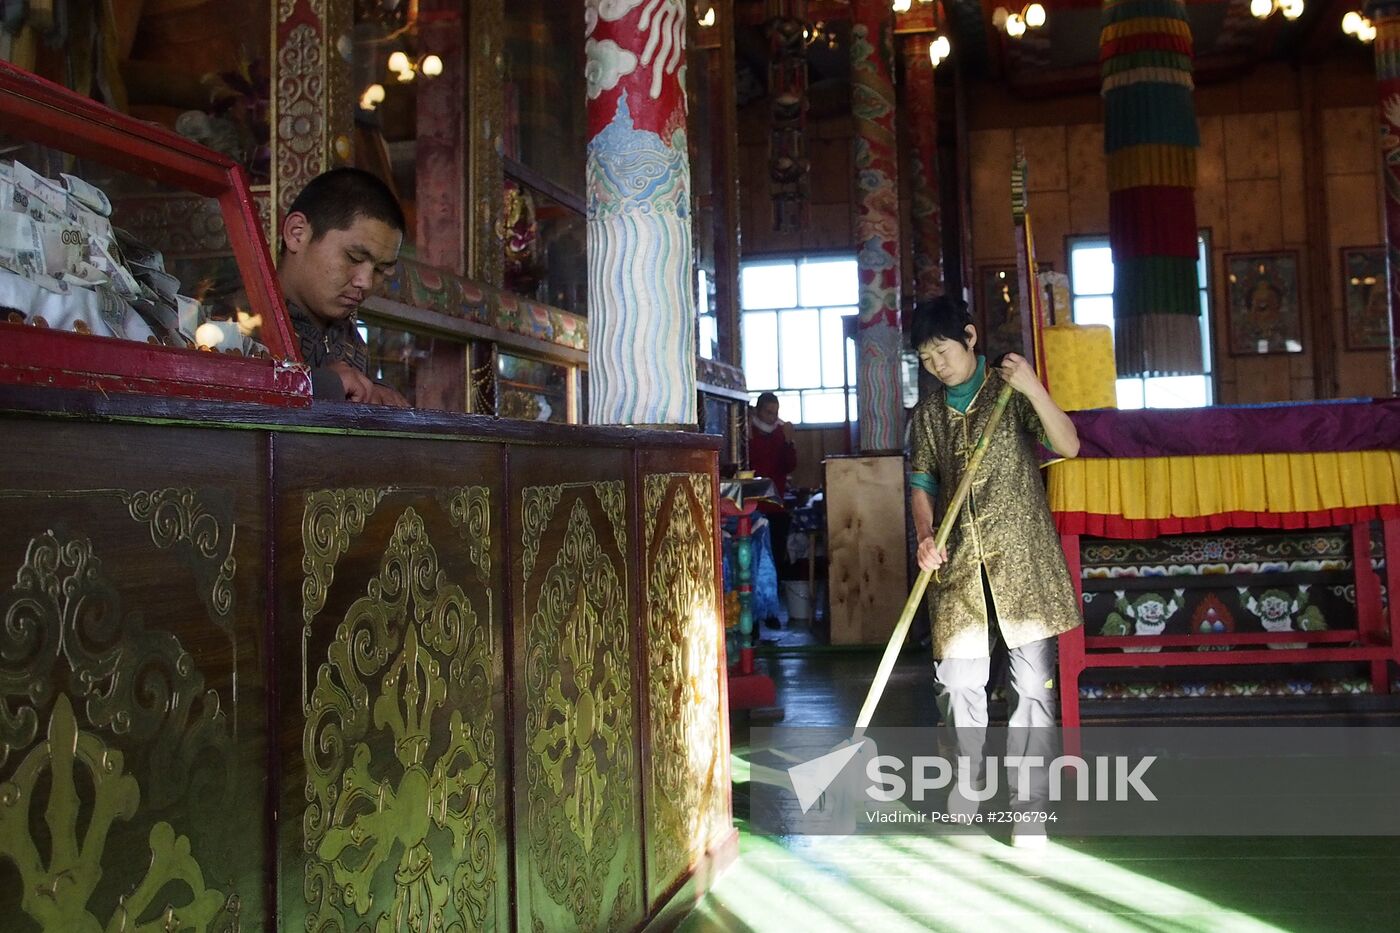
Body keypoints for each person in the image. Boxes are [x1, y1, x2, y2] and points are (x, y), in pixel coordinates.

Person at [907, 296, 1082, 847]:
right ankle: (969, 783)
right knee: (959, 684)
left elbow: (1069, 445)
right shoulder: (929, 415)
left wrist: (1033, 388)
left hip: (1023, 563)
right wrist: (925, 535)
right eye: (926, 358)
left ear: (971, 336)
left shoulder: (1010, 389)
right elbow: (922, 483)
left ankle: (1029, 807)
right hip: (958, 566)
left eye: (943, 351)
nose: (938, 365)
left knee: (1032, 688)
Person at [277, 168, 409, 406]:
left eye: (381, 270)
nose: (366, 282)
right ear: (297, 234)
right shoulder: (239, 323)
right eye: (354, 258)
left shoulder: (350, 341)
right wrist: (320, 385)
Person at [749, 392, 799, 625]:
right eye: (769, 412)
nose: (773, 417)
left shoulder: (781, 433)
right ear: (758, 411)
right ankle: (754, 612)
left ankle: (771, 611)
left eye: (775, 412)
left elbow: (790, 466)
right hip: (752, 505)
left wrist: (789, 442)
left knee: (775, 559)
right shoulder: (747, 433)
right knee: (753, 559)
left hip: (776, 506)